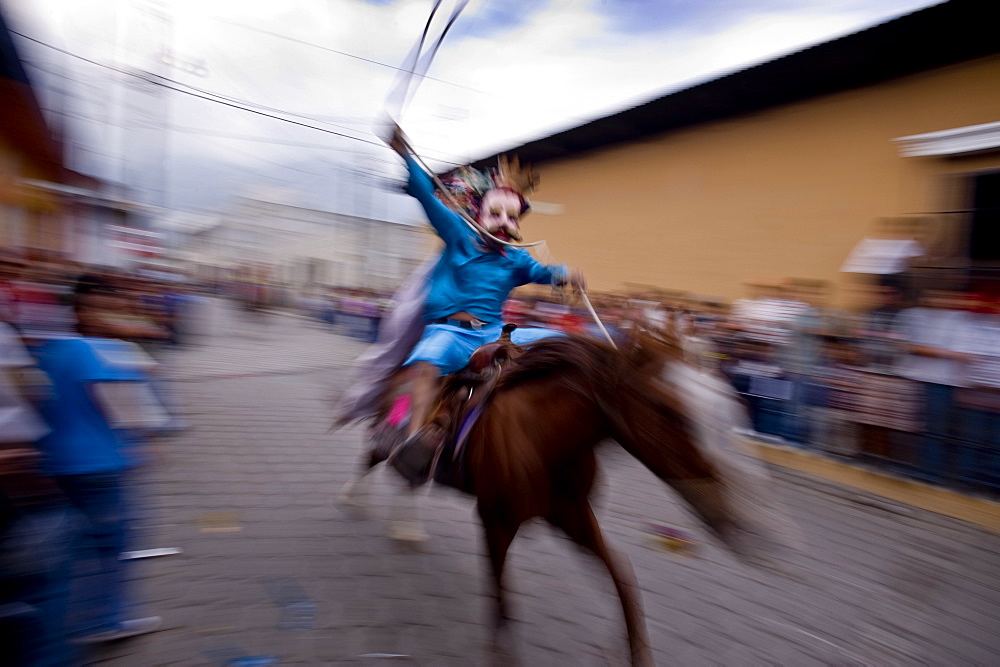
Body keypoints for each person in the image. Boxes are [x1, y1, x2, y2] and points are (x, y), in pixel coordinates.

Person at [382, 124, 585, 485]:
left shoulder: (516, 260)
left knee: (561, 343)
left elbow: (546, 272)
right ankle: (414, 443)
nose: (505, 224)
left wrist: (568, 273)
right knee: (427, 364)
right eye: (496, 214)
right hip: (447, 332)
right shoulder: (457, 235)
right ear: (479, 212)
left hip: (494, 334)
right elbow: (425, 195)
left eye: (512, 218)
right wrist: (404, 155)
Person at [32, 284, 167, 644]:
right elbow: (131, 411)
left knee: (70, 544)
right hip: (101, 462)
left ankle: (65, 617)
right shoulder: (112, 353)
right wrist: (150, 442)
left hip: (55, 459)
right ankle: (105, 619)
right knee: (110, 543)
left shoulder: (53, 347)